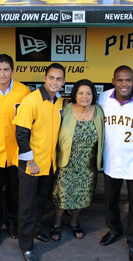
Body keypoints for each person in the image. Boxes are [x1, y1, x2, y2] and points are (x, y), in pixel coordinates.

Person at [97, 65, 133, 261]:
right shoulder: (103, 98)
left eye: (128, 80)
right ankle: (114, 230)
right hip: (111, 159)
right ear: (113, 81)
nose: (124, 84)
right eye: (120, 80)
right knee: (110, 199)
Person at [13, 63, 65, 261]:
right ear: (44, 78)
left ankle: (35, 231)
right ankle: (26, 246)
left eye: (59, 79)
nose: (54, 82)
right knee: (26, 206)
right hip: (31, 165)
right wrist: (31, 162)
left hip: (49, 164)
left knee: (40, 201)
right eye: (51, 77)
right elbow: (21, 134)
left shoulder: (59, 101)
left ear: (63, 82)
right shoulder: (31, 100)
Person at [0, 54, 30, 248]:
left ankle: (12, 223)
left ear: (13, 71)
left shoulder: (23, 91)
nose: (2, 74)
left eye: (6, 69)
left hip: (15, 153)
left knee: (14, 192)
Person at [51, 79, 104, 241]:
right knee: (62, 196)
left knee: (82, 196)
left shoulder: (99, 112)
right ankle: (56, 224)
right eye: (81, 93)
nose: (84, 96)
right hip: (67, 162)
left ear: (93, 96)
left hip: (88, 164)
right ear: (75, 94)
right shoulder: (65, 109)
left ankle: (74, 222)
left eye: (88, 93)